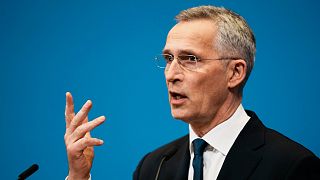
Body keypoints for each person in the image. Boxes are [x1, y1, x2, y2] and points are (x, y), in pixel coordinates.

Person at [64, 5, 320, 180]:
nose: (171, 74)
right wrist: (79, 176)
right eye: (168, 58)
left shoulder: (292, 166)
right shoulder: (153, 167)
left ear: (235, 73)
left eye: (190, 59)